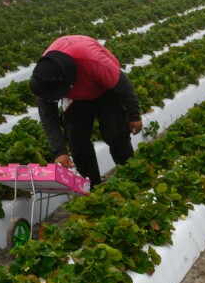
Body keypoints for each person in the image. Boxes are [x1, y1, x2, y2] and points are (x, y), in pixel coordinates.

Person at [29, 35, 143, 186]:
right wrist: (59, 151)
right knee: (78, 142)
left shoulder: (93, 61)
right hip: (74, 100)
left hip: (103, 90)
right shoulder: (44, 78)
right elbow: (48, 117)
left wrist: (134, 115)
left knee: (116, 134)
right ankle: (92, 188)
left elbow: (124, 86)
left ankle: (131, 179)